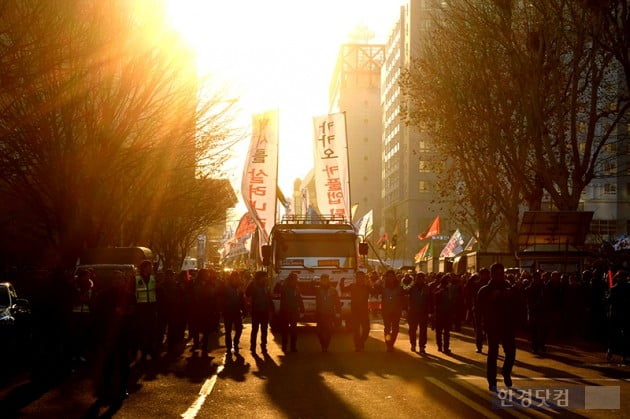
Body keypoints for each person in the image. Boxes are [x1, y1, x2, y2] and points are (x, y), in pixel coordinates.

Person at [93, 270, 134, 404]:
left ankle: (122, 388)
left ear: (124, 280)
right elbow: (97, 316)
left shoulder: (129, 296)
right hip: (108, 335)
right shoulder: (103, 295)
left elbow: (134, 315)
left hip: (124, 335)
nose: (117, 281)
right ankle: (106, 389)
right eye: (115, 279)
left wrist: (125, 314)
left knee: (124, 365)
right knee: (107, 365)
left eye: (120, 279)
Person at [476, 263, 517, 392]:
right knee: (493, 353)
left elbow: (517, 305)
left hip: (507, 325)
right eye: (498, 274)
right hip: (492, 325)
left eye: (502, 274)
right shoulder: (485, 290)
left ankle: (506, 372)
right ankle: (492, 381)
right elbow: (478, 309)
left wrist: (511, 295)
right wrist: (491, 298)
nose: (501, 276)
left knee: (511, 352)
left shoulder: (508, 287)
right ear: (492, 275)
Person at [133, 260, 159, 361]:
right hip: (141, 308)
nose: (151, 268)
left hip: (151, 308)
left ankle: (150, 351)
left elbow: (156, 291)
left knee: (151, 331)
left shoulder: (153, 278)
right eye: (149, 266)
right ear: (144, 268)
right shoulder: (136, 279)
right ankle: (144, 351)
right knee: (142, 331)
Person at [340, 271, 372, 352]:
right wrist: (342, 282)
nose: (360, 279)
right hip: (355, 311)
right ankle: (357, 345)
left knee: (367, 329)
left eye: (362, 277)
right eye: (358, 277)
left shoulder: (367, 287)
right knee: (356, 329)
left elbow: (375, 292)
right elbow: (343, 290)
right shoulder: (353, 286)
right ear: (356, 278)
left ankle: (361, 342)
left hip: (364, 311)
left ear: (364, 278)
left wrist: (370, 285)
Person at [246, 271, 274, 353]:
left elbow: (269, 298)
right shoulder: (253, 285)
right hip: (256, 311)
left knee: (264, 330)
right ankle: (253, 346)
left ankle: (263, 346)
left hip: (265, 311)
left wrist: (271, 309)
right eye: (264, 277)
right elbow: (247, 293)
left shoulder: (266, 286)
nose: (266, 278)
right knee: (255, 330)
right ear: (260, 277)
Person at [406, 272, 432, 354]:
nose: (420, 279)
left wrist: (430, 311)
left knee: (423, 331)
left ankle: (422, 346)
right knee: (412, 330)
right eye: (418, 278)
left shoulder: (427, 288)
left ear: (424, 279)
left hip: (423, 312)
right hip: (412, 312)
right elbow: (406, 298)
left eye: (421, 278)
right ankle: (413, 344)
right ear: (415, 279)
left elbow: (430, 300)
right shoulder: (411, 288)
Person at [221, 271, 246, 355]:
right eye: (235, 278)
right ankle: (229, 346)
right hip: (228, 311)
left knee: (239, 329)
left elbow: (242, 300)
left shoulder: (239, 288)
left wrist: (244, 310)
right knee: (228, 330)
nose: (236, 279)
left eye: (237, 277)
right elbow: (222, 300)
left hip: (236, 311)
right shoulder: (226, 288)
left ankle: (235, 342)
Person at [379, 270, 404, 352]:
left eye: (392, 276)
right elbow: (375, 292)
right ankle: (388, 344)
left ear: (394, 277)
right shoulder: (382, 287)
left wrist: (403, 309)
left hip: (396, 311)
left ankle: (391, 343)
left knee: (395, 329)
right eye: (388, 276)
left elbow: (403, 299)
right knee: (387, 328)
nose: (390, 278)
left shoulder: (399, 287)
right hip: (386, 311)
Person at [315, 274, 341, 352]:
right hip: (320, 313)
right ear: (321, 280)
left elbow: (337, 302)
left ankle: (326, 346)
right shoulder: (317, 289)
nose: (324, 281)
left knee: (329, 331)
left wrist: (338, 311)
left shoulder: (333, 290)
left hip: (329, 314)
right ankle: (322, 344)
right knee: (319, 331)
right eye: (323, 280)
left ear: (328, 280)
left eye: (326, 279)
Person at [279, 272, 304, 353]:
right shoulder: (284, 288)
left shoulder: (296, 288)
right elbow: (282, 301)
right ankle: (284, 346)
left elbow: (299, 299)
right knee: (285, 330)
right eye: (295, 279)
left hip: (294, 312)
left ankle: (293, 347)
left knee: (294, 330)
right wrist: (281, 311)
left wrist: (302, 309)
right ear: (291, 280)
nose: (296, 280)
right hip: (286, 312)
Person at [433, 274, 453, 354]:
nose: (449, 282)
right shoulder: (439, 288)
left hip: (447, 313)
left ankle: (446, 347)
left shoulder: (449, 289)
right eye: (448, 280)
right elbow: (435, 300)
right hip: (440, 313)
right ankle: (440, 346)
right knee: (439, 331)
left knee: (447, 332)